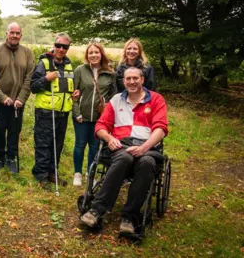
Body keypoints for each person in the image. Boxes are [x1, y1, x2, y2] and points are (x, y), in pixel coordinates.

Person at [80, 67, 168, 235]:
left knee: (147, 162)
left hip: (147, 146)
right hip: (121, 145)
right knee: (124, 158)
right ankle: (96, 210)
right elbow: (101, 126)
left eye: (135, 78)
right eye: (128, 79)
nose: (132, 82)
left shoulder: (156, 99)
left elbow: (161, 128)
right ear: (124, 81)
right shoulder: (116, 100)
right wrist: (109, 138)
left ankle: (129, 217)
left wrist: (144, 147)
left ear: (142, 80)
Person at [30, 32, 79, 188]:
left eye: (65, 46)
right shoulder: (44, 63)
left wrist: (75, 93)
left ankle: (52, 172)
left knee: (57, 145)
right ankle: (41, 175)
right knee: (43, 144)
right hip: (45, 112)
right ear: (54, 45)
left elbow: (68, 89)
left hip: (63, 113)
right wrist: (46, 79)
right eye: (58, 45)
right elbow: (33, 87)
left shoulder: (69, 65)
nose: (61, 49)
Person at [0, 22, 35, 173]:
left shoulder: (27, 53)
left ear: (21, 35)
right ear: (6, 34)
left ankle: (11, 158)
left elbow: (29, 77)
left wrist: (21, 98)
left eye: (17, 33)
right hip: (0, 101)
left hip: (17, 103)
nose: (15, 35)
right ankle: (0, 157)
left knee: (15, 130)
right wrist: (2, 97)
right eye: (12, 32)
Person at [72, 43, 116, 186]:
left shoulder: (110, 73)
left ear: (101, 54)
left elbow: (112, 96)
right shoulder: (80, 70)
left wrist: (107, 114)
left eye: (96, 52)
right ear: (87, 55)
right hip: (82, 116)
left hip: (99, 118)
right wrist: (76, 112)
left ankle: (90, 173)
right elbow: (73, 93)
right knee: (79, 144)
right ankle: (77, 173)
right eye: (90, 53)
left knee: (94, 146)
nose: (93, 55)